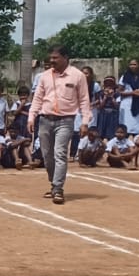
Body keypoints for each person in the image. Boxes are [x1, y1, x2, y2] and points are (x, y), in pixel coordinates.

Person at [27, 44, 93, 205]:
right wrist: (31, 117)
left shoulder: (77, 76)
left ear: (65, 58)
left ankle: (58, 188)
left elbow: (84, 100)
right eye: (51, 57)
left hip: (66, 120)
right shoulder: (44, 76)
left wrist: (85, 122)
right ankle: (53, 183)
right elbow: (37, 98)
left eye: (55, 57)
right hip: (44, 119)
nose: (52, 60)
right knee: (47, 156)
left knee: (60, 153)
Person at [117, 59, 139, 135]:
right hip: (127, 103)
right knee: (127, 124)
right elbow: (119, 91)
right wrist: (132, 93)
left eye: (134, 64)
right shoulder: (124, 77)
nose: (132, 66)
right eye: (131, 65)